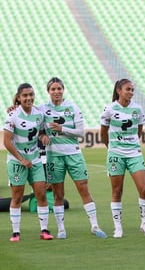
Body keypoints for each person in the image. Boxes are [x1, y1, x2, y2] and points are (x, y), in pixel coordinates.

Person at [40, 77, 106, 239]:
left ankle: (94, 225)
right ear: (48, 91)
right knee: (58, 194)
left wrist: (62, 128)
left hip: (74, 153)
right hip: (54, 156)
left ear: (63, 90)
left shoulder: (73, 107)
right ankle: (61, 229)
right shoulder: (41, 110)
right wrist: (43, 137)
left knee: (84, 188)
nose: (56, 92)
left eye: (59, 89)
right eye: (53, 89)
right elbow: (40, 130)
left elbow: (80, 132)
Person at [100, 78, 145, 238]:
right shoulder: (109, 109)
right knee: (117, 191)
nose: (130, 92)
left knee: (143, 189)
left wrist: (132, 144)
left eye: (132, 90)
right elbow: (103, 133)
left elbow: (139, 130)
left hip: (134, 153)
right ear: (119, 90)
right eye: (128, 89)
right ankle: (118, 227)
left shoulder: (137, 109)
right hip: (116, 154)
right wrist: (112, 148)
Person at [3, 83, 53, 242]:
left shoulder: (39, 113)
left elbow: (42, 132)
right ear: (19, 97)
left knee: (41, 194)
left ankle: (44, 230)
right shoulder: (13, 115)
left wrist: (43, 137)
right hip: (17, 162)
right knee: (16, 197)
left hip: (35, 160)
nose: (29, 98)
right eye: (25, 95)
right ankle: (16, 232)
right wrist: (22, 159)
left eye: (31, 94)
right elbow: (7, 142)